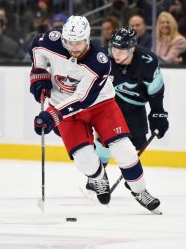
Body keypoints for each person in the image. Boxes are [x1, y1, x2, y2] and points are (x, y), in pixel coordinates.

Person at [28, 15, 161, 212]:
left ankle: (140, 191)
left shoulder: (98, 61)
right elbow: (36, 49)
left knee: (123, 148)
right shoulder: (49, 41)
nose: (73, 47)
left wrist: (53, 115)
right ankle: (98, 178)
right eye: (69, 42)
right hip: (63, 105)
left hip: (101, 105)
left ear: (87, 38)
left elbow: (83, 99)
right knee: (84, 160)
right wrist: (39, 76)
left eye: (79, 42)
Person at [92, 27, 169, 168]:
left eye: (121, 50)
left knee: (137, 144)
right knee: (104, 139)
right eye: (114, 49)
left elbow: (156, 90)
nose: (116, 54)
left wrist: (158, 113)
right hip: (109, 105)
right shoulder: (102, 57)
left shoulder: (148, 62)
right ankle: (98, 178)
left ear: (132, 48)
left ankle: (133, 176)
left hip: (135, 106)